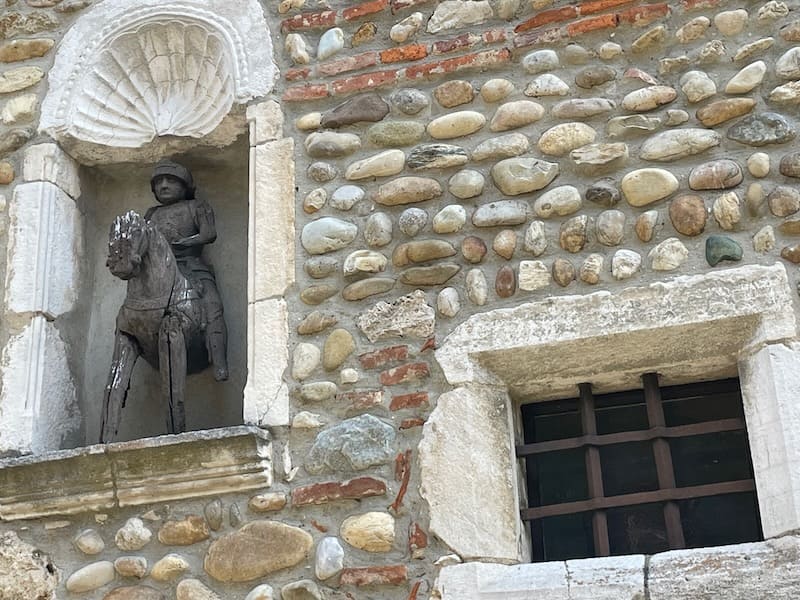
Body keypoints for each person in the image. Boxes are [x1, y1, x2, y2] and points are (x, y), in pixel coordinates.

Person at [145, 160, 229, 381]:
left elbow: (209, 234)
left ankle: (219, 361)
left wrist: (187, 241)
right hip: (158, 270)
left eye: (171, 181)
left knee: (213, 305)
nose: (163, 185)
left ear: (185, 186)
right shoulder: (151, 213)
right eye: (159, 182)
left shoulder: (196, 207)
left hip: (191, 265)